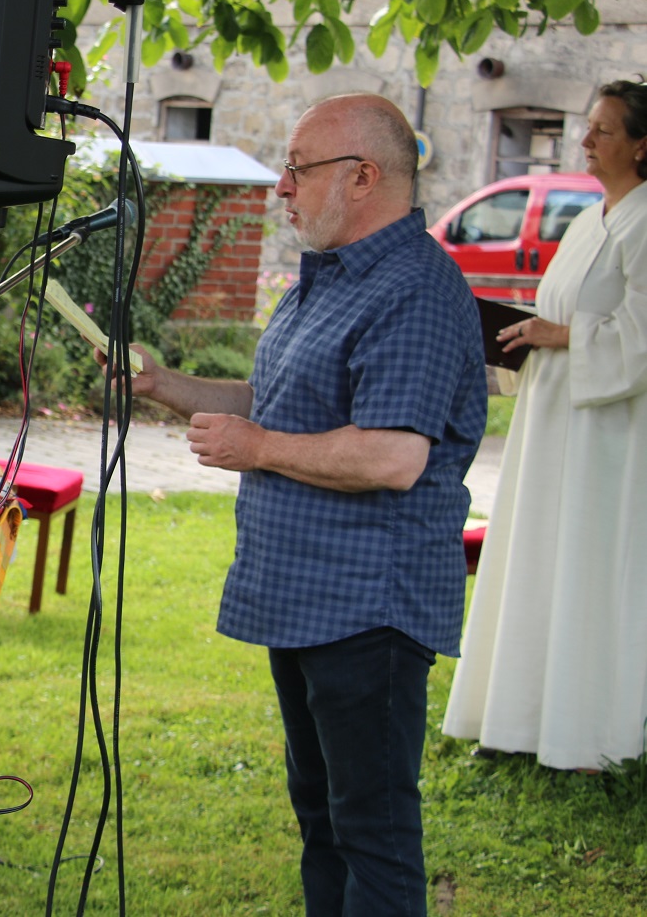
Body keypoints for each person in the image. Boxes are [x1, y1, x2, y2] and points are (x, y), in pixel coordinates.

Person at [97, 94, 485, 915]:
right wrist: (163, 384)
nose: (281, 187)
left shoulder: (415, 288)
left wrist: (259, 448)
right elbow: (273, 398)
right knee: (322, 820)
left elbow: (393, 454)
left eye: (297, 169)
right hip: (308, 599)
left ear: (363, 176)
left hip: (369, 610)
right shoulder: (330, 276)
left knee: (371, 834)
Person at [442, 81, 647, 771]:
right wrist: (525, 334)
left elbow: (642, 335)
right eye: (587, 127)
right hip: (554, 416)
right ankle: (525, 714)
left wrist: (563, 333)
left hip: (610, 433)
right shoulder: (593, 218)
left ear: (643, 145)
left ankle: (592, 731)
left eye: (604, 130)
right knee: (542, 553)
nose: (585, 141)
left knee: (589, 561)